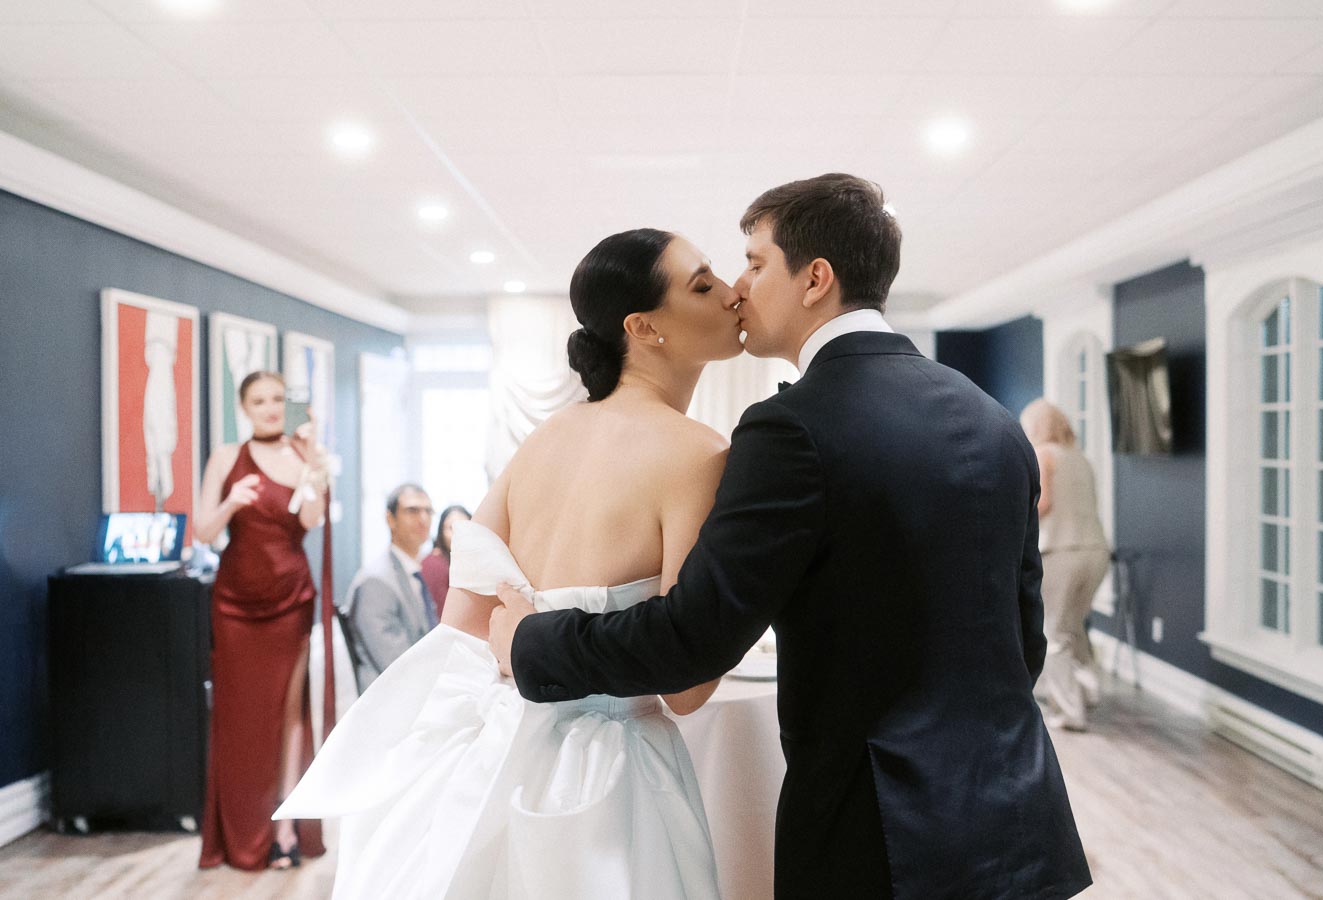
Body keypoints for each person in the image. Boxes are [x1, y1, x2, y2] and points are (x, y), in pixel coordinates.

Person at [490, 174, 1093, 899]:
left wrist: (533, 642)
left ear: (815, 279)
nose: (739, 289)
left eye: (752, 263)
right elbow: (1021, 641)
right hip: (1020, 821)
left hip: (885, 837)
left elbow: (694, 639)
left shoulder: (793, 429)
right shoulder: (993, 420)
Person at [276, 228, 744, 899]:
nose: (732, 294)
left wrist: (526, 640)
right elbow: (687, 685)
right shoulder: (699, 453)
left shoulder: (542, 440)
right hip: (617, 775)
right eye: (704, 284)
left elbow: (463, 621)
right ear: (644, 327)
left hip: (508, 753)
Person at [196, 370, 332, 871]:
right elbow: (204, 533)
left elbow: (312, 520)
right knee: (236, 719)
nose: (271, 408)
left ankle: (285, 831)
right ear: (243, 407)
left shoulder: (304, 460)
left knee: (287, 716)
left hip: (290, 600)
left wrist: (314, 455)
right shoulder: (225, 458)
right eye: (259, 400)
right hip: (234, 604)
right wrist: (234, 499)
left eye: (278, 399)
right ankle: (237, 833)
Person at [1020, 398, 1111, 732]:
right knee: (1074, 628)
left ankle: (1069, 710)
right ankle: (1089, 690)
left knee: (1053, 633)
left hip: (1061, 551)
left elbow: (1042, 504)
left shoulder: (1043, 454)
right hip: (1096, 551)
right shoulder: (1080, 458)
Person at [344, 484, 439, 693]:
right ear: (390, 519)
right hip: (391, 699)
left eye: (428, 511)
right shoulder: (376, 581)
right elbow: (395, 663)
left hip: (414, 686)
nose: (423, 519)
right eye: (413, 511)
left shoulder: (410, 572)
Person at [419, 503, 472, 619]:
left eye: (465, 527)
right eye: (451, 528)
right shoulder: (434, 565)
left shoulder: (474, 563)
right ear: (441, 533)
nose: (459, 533)